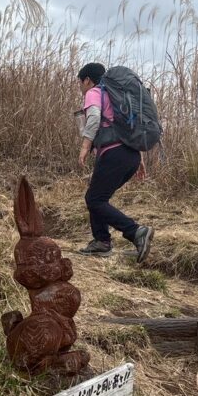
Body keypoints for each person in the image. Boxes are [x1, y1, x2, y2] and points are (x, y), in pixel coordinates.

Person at [76, 62, 154, 261]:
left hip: (113, 153)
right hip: (131, 156)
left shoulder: (94, 92)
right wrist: (140, 160)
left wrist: (85, 147)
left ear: (87, 80)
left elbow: (94, 118)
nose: (81, 87)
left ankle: (136, 231)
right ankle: (101, 241)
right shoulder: (117, 96)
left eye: (80, 83)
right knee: (97, 197)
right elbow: (129, 128)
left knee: (95, 199)